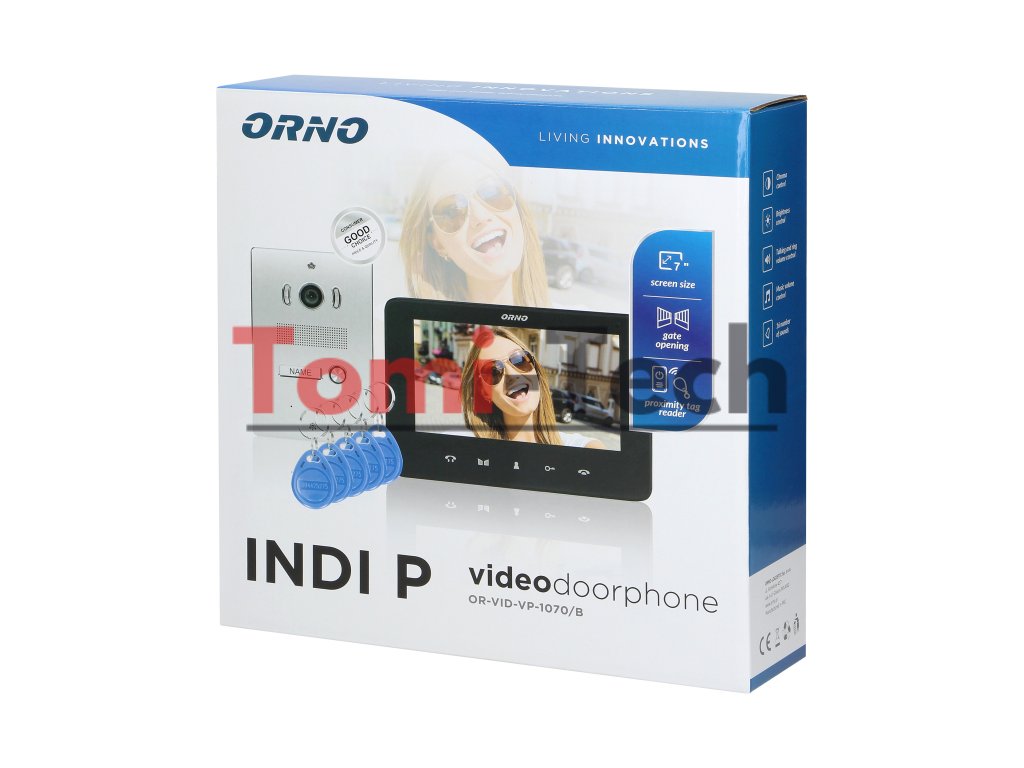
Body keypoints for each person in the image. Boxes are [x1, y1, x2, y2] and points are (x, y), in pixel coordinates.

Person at [400, 157, 550, 306]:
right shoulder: (421, 322)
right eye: (453, 211)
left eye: (493, 192)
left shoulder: (560, 319)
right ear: (437, 243)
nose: (481, 217)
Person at [461, 327, 604, 449]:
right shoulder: (469, 447)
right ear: (483, 392)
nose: (512, 375)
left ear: (536, 370)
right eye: (493, 371)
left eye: (519, 360)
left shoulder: (582, 447)